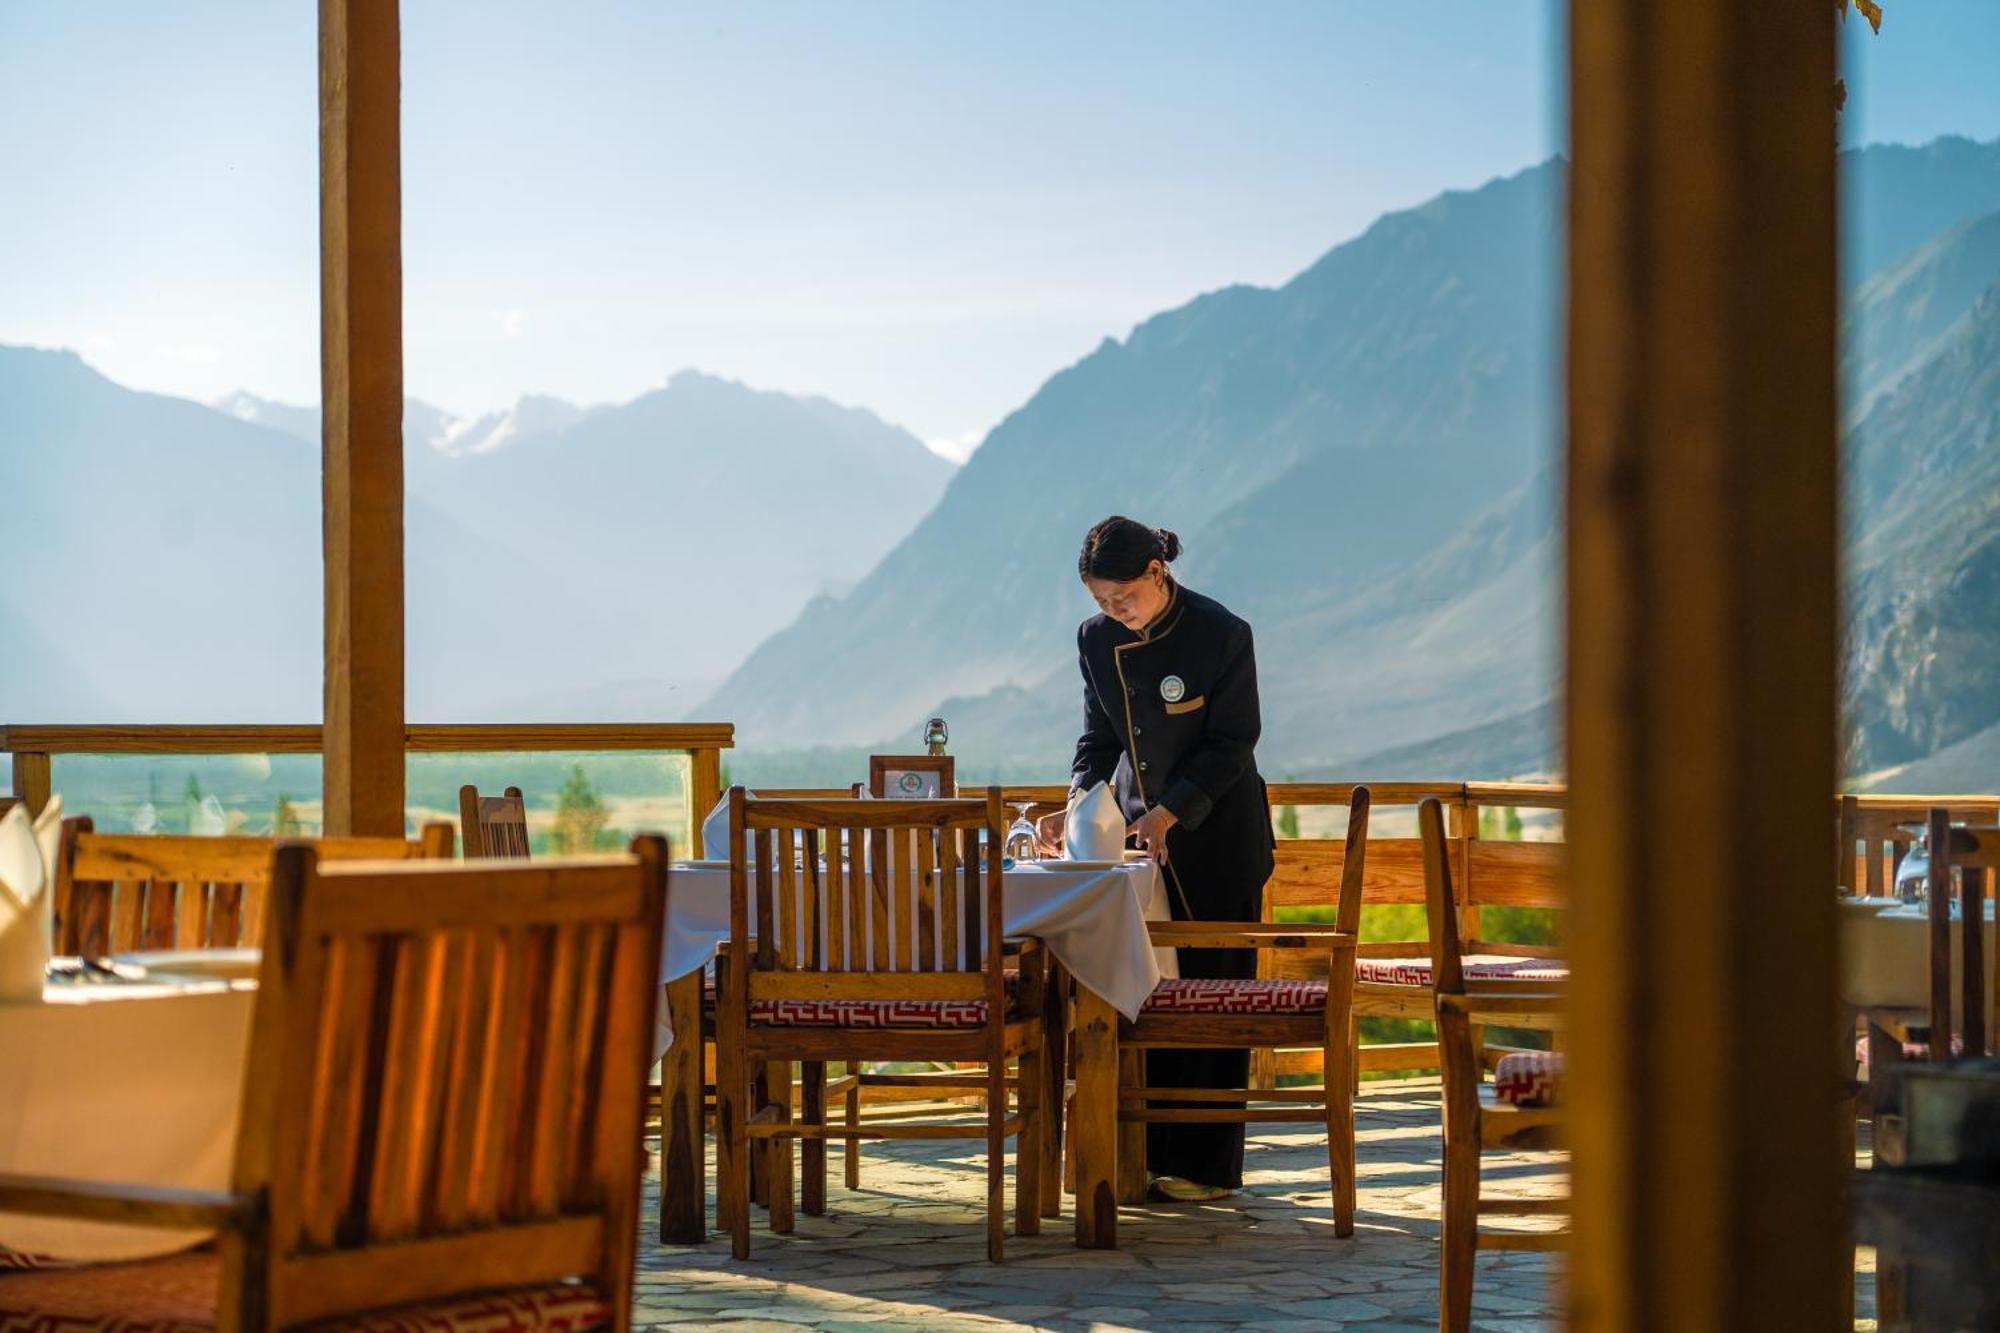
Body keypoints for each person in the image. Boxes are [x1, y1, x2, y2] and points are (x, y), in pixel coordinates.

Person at [1038, 515, 1275, 1202]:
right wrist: (1077, 801)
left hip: (1218, 838)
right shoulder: (1096, 640)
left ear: (1156, 572)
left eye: (1123, 598)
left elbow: (1233, 742)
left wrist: (1171, 811)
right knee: (1147, 991)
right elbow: (1098, 737)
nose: (1114, 613)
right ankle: (1140, 1149)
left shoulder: (1222, 633)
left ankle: (1206, 1168)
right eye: (1102, 603)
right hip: (1138, 845)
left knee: (1213, 999)